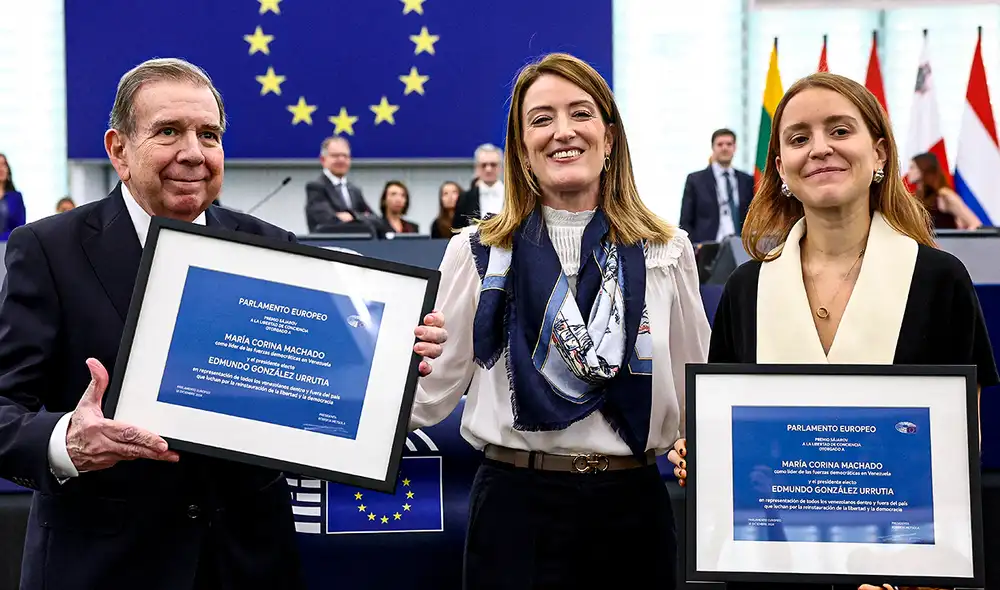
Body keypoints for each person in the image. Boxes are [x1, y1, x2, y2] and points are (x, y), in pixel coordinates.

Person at [0, 57, 448, 590]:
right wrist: (66, 442)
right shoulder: (48, 250)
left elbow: (320, 388)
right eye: (168, 131)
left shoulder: (273, 248)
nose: (193, 152)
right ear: (118, 150)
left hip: (246, 564)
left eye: (208, 135)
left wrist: (394, 359)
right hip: (101, 567)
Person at [668, 72, 998, 590]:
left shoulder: (940, 280)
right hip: (769, 567)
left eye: (840, 130)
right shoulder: (747, 288)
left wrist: (918, 578)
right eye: (799, 138)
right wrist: (706, 457)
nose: (820, 148)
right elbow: (734, 437)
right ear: (781, 168)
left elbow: (960, 448)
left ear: (880, 153)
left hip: (897, 572)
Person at [411, 52, 710, 589]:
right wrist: (395, 357)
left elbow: (697, 388)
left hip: (633, 512)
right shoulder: (478, 252)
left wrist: (710, 447)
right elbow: (427, 396)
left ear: (609, 137)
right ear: (522, 147)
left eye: (581, 113)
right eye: (541, 119)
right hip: (514, 510)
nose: (562, 131)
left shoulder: (667, 251)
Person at [678, 128, 754, 243]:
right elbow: (685, 221)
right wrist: (693, 247)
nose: (724, 148)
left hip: (741, 245)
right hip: (707, 246)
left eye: (729, 144)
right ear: (713, 148)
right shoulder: (696, 180)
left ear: (735, 147)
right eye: (720, 144)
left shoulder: (746, 180)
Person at [304, 136, 375, 232]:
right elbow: (327, 220)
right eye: (335, 156)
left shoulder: (354, 190)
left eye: (345, 156)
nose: (341, 160)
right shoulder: (315, 187)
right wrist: (361, 218)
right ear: (323, 160)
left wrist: (352, 216)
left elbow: (375, 220)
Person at [907, 152, 981, 230]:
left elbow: (975, 223)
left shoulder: (943, 195)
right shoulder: (914, 198)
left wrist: (961, 237)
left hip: (943, 237)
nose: (908, 172)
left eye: (912, 167)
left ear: (924, 169)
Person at [452, 143, 504, 230]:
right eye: (483, 165)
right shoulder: (465, 198)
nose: (488, 169)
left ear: (501, 167)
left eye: (493, 164)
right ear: (476, 168)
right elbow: (457, 231)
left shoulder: (515, 195)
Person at [0, 153, 27, 239]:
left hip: (8, 243)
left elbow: (20, 228)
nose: (1, 169)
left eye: (4, 165)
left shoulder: (16, 197)